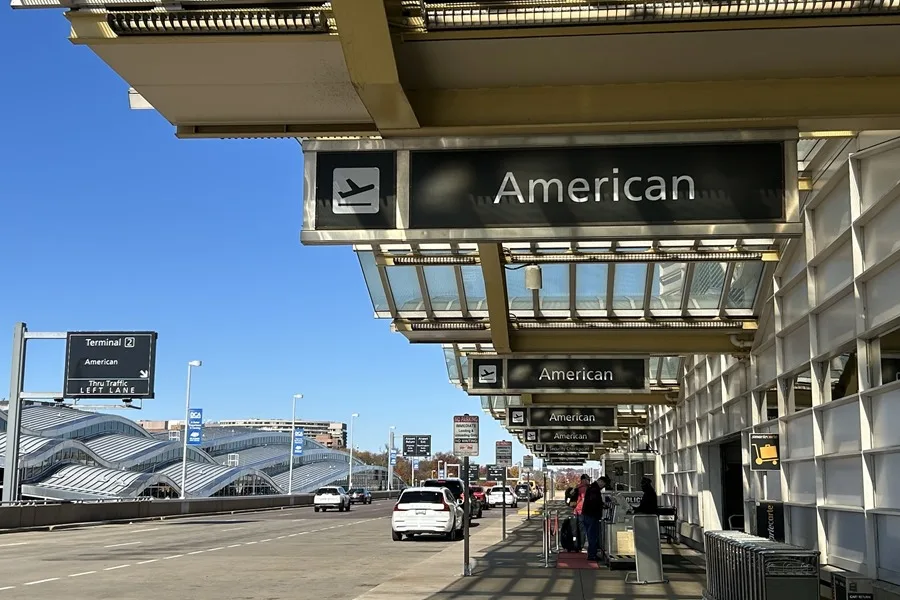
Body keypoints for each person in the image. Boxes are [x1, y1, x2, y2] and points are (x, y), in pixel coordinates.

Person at [581, 479, 606, 561]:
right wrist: (601, 505)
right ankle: (592, 555)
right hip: (592, 516)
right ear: (601, 482)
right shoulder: (595, 490)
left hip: (587, 514)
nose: (603, 487)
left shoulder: (591, 488)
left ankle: (592, 553)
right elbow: (594, 502)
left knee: (590, 535)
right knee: (593, 536)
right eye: (603, 485)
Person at [572, 474, 590, 551]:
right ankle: (581, 546)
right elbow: (584, 500)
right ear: (584, 480)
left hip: (575, 511)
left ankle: (576, 544)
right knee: (582, 529)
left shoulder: (577, 487)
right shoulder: (584, 488)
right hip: (582, 511)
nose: (589, 481)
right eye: (588, 479)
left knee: (576, 529)